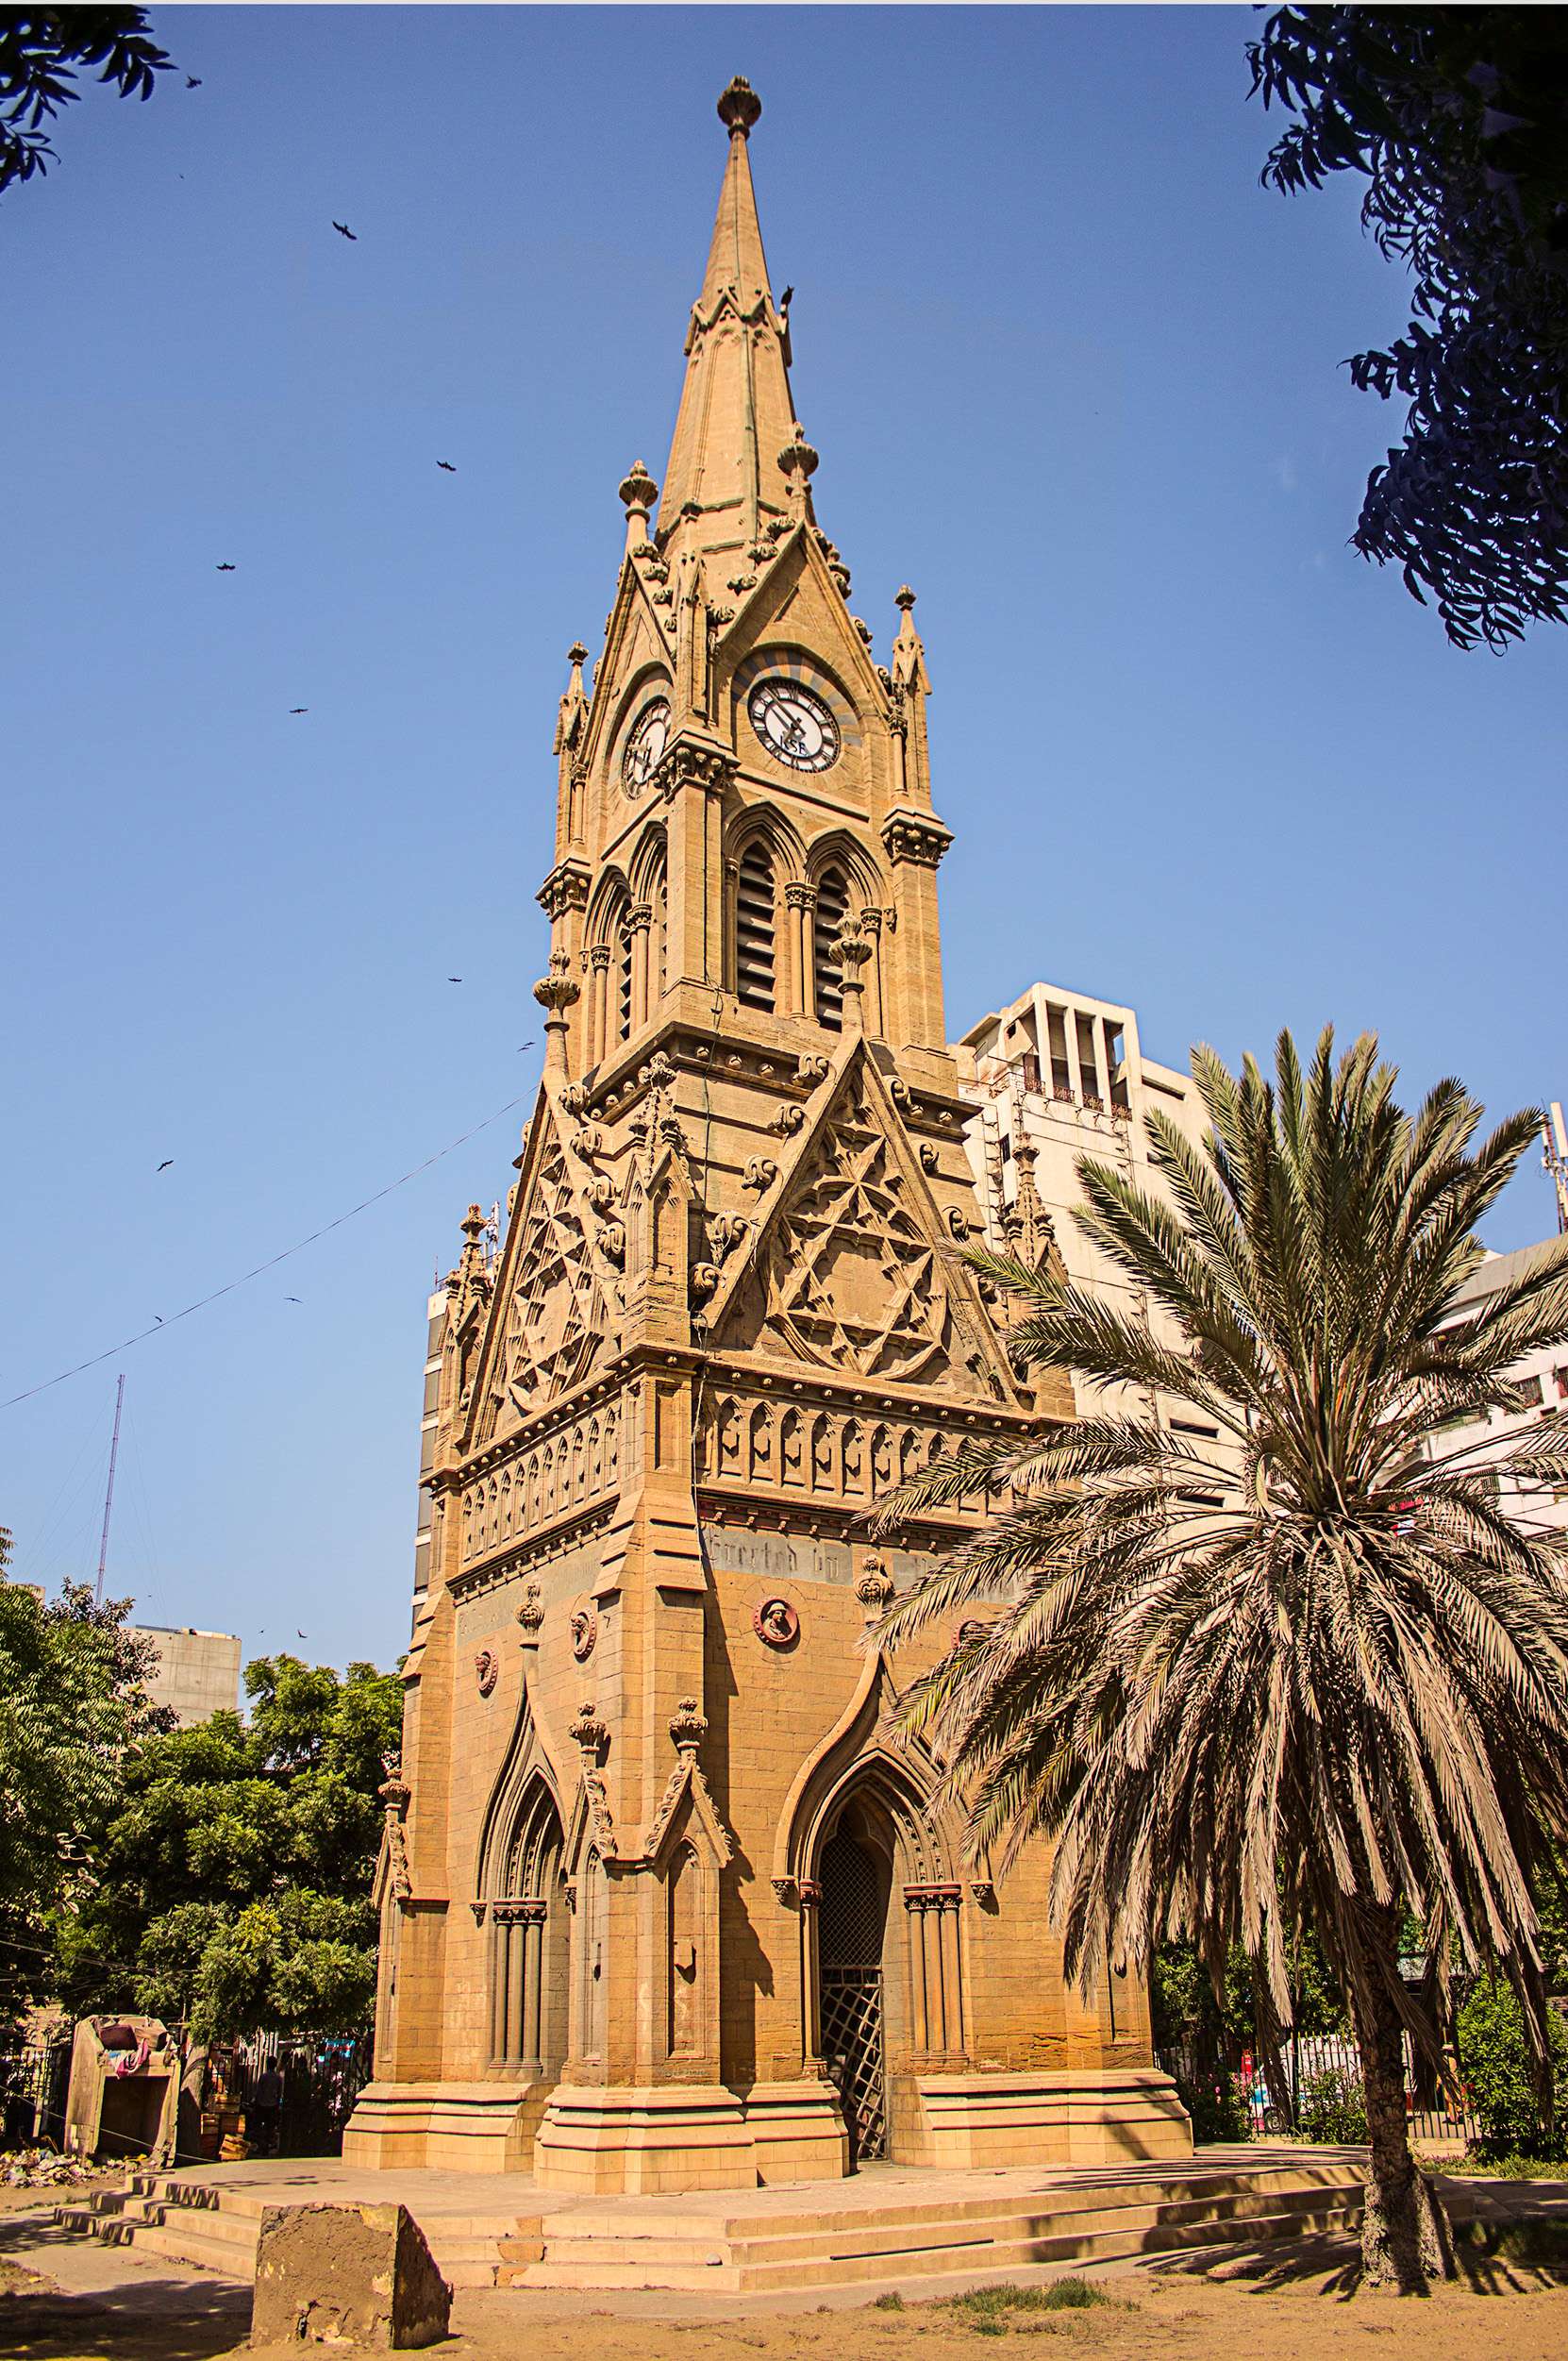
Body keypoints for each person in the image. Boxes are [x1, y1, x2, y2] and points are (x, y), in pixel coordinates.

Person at [248, 2063, 283, 2157]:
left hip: (262, 2105)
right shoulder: (278, 2078)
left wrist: (256, 2102)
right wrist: (277, 2103)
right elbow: (279, 2093)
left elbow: (259, 2091)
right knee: (269, 2128)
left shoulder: (263, 2077)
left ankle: (262, 2146)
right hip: (272, 2106)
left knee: (259, 2127)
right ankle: (266, 2146)